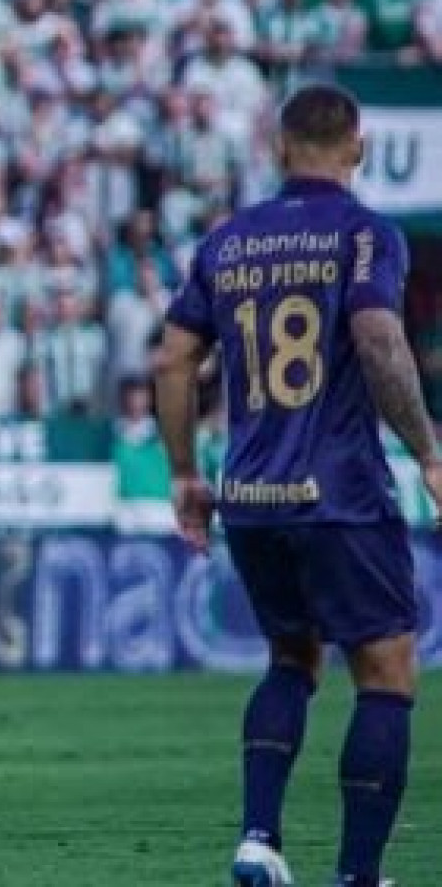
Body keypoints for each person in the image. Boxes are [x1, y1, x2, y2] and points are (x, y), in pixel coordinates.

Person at [155, 83, 442, 887]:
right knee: (386, 672)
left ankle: (258, 838)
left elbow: (172, 360)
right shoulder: (364, 233)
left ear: (280, 149)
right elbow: (380, 338)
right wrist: (427, 448)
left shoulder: (228, 240)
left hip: (250, 496)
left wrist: (184, 471)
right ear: (358, 148)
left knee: (291, 659)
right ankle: (357, 875)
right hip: (341, 491)